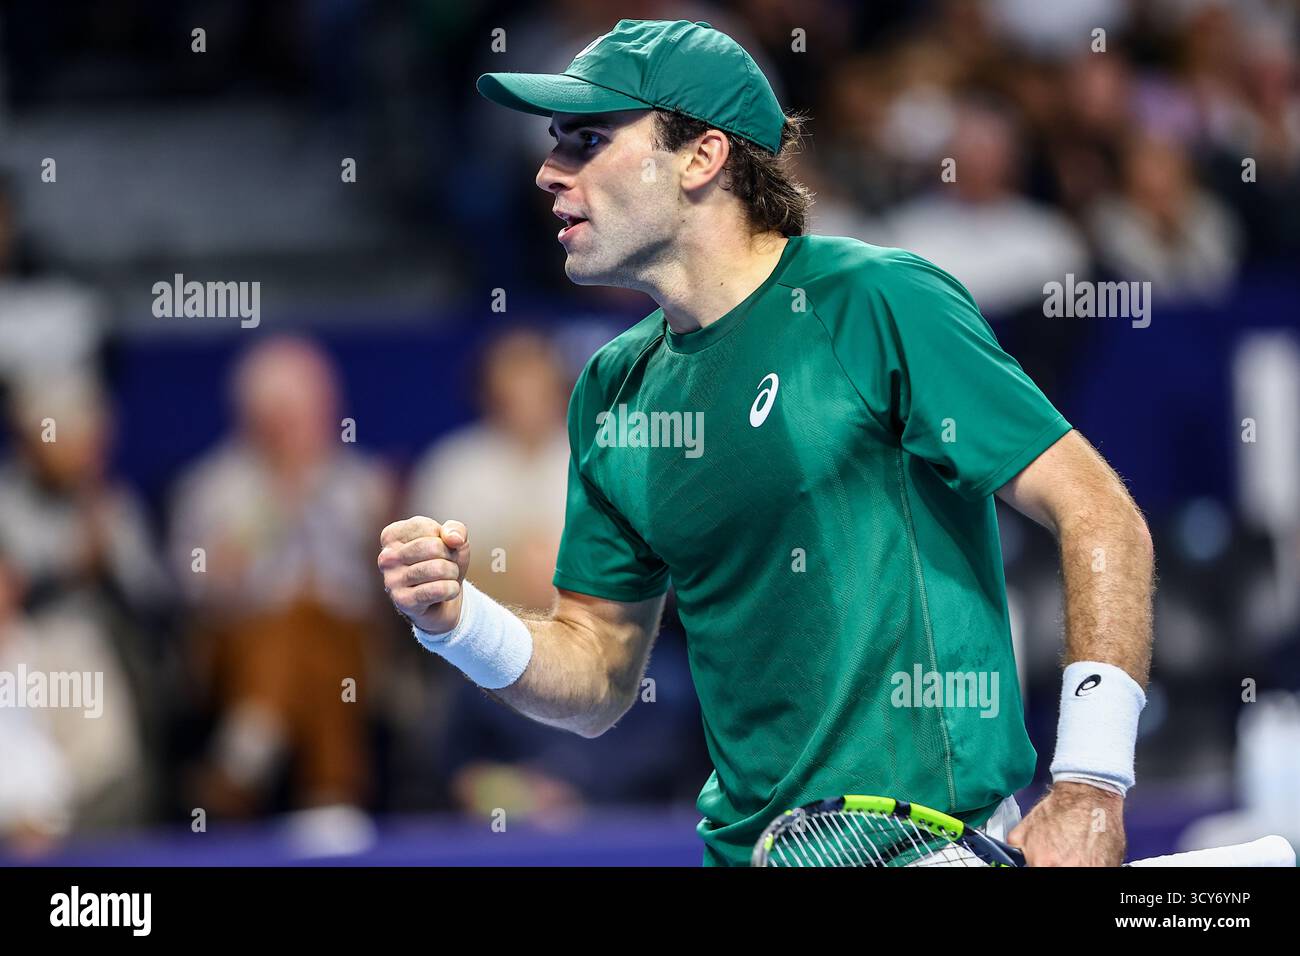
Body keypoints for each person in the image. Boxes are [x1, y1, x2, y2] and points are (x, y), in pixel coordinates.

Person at [378, 19, 1155, 866]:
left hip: (936, 846)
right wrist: (459, 622)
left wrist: (1089, 783)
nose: (547, 171)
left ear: (701, 158)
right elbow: (600, 674)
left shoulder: (878, 301)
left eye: (587, 140)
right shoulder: (610, 391)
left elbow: (1100, 514)